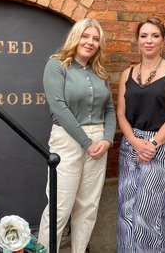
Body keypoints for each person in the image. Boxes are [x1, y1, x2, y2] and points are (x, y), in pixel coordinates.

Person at [38, 18, 116, 253]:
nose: (90, 42)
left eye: (95, 39)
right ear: (76, 37)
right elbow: (59, 108)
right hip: (68, 140)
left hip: (99, 142)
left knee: (88, 207)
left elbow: (110, 109)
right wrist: (86, 142)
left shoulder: (99, 72)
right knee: (60, 207)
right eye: (86, 36)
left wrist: (107, 139)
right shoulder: (56, 65)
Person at [116, 17, 165, 252]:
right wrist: (136, 142)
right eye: (144, 35)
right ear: (137, 41)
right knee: (126, 211)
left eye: (155, 35)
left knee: (149, 212)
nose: (149, 40)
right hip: (130, 145)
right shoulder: (127, 73)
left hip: (159, 145)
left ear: (163, 41)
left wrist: (152, 144)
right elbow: (120, 113)